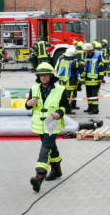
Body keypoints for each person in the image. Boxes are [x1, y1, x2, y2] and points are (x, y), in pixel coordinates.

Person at [25, 62, 70, 192]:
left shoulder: (60, 90)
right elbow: (27, 106)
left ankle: (39, 176)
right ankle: (56, 170)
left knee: (45, 150)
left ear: (51, 76)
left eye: (46, 75)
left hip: (52, 126)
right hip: (39, 126)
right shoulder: (34, 89)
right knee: (52, 148)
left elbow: (66, 106)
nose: (43, 77)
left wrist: (59, 113)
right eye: (41, 75)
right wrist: (28, 103)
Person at [54, 46, 83, 113]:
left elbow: (57, 67)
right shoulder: (73, 62)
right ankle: (67, 109)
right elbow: (80, 68)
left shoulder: (61, 58)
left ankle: (73, 106)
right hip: (70, 82)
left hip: (62, 80)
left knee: (68, 95)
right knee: (70, 96)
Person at [81, 43, 104, 115]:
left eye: (85, 50)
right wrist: (82, 78)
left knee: (94, 95)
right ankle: (90, 108)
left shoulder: (97, 56)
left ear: (89, 50)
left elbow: (101, 67)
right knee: (89, 95)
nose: (84, 51)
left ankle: (95, 109)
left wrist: (101, 78)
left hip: (95, 80)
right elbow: (85, 68)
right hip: (87, 80)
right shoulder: (86, 56)